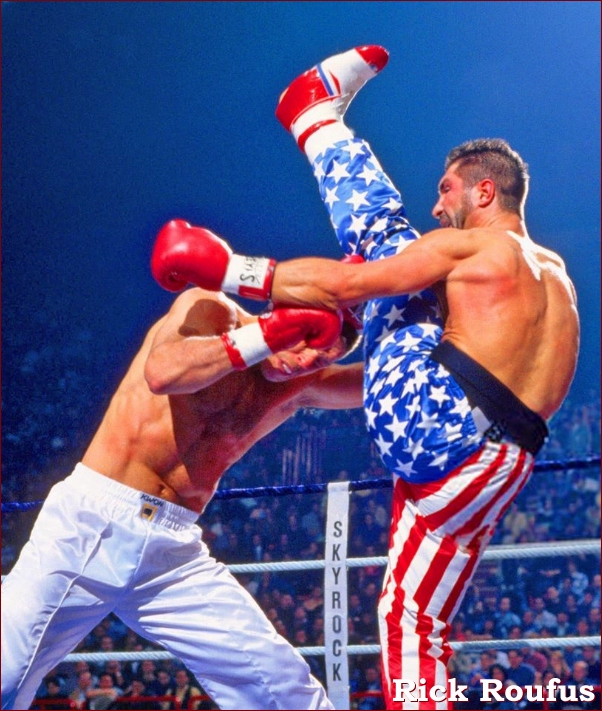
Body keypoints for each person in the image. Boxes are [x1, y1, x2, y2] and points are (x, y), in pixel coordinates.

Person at [151, 44, 580, 709]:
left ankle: (314, 118)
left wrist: (231, 269)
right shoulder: (560, 283)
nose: (437, 207)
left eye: (446, 189)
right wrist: (310, 381)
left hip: (439, 430)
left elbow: (351, 282)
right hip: (496, 464)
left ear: (484, 190)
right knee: (412, 621)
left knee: (383, 242)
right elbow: (444, 377)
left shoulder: (475, 247)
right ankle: (302, 369)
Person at [1, 276, 364, 710]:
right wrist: (268, 335)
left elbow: (389, 384)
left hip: (172, 552)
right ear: (284, 317)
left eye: (321, 358)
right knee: (6, 674)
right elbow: (163, 372)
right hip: (93, 523)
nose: (303, 363)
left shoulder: (301, 382)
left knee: (278, 685)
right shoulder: (212, 310)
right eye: (304, 344)